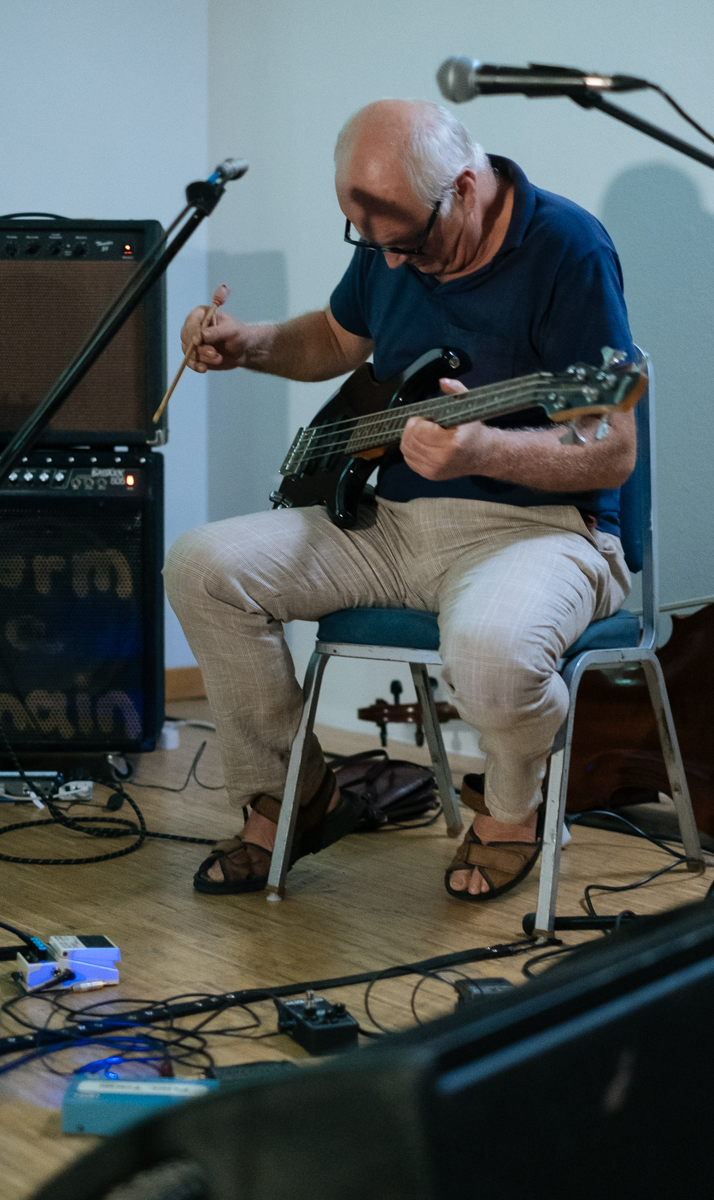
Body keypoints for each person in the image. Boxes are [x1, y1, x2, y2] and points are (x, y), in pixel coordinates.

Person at [163, 99, 635, 901]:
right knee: (203, 566)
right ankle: (294, 795)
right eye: (367, 240)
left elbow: (613, 445)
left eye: (406, 242)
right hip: (394, 524)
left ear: (463, 189)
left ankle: (513, 810)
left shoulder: (569, 248)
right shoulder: (391, 244)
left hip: (539, 531)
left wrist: (484, 449)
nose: (389, 259)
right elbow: (335, 339)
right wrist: (250, 345)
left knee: (490, 655)